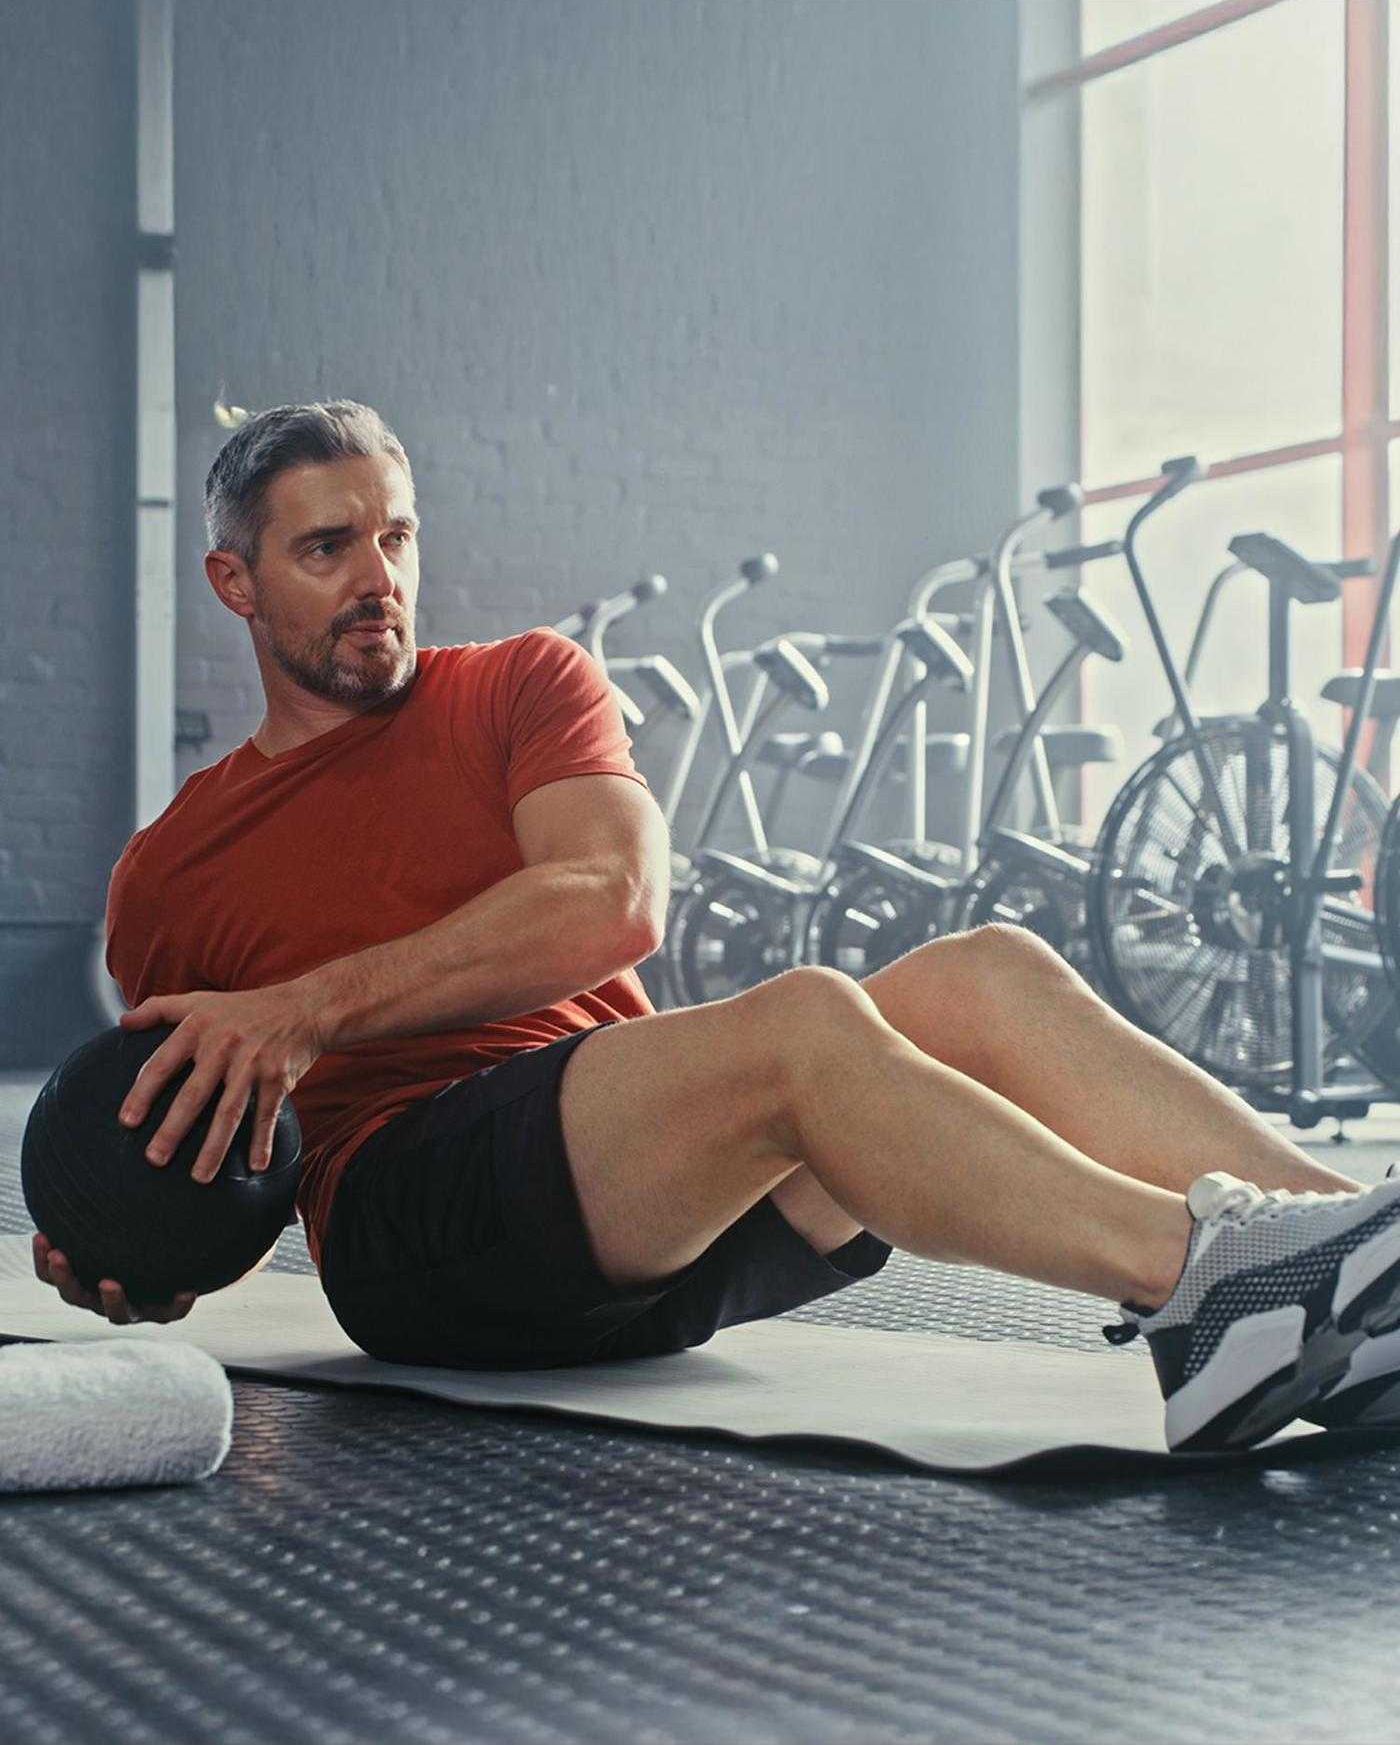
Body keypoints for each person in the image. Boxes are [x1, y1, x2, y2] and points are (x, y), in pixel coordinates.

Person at [32, 400, 1400, 1455]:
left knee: (987, 975)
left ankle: (1345, 1253)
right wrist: (131, 1252)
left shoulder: (520, 684)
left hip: (655, 1209)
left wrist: (308, 1003)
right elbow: (190, 1141)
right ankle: (1202, 1285)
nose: (376, 575)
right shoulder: (172, 875)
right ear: (236, 582)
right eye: (326, 547)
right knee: (803, 1023)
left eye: (395, 536)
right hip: (417, 1234)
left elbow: (612, 901)